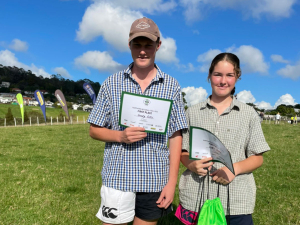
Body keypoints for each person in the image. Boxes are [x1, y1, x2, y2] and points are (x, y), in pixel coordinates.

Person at [87, 17, 188, 225]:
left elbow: (176, 135)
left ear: (158, 45)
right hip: (118, 176)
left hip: (154, 179)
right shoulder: (112, 83)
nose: (142, 51)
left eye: (148, 45)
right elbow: (94, 130)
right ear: (129, 45)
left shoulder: (171, 86)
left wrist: (171, 183)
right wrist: (120, 135)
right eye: (137, 44)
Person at [175, 53, 270, 225]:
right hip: (196, 197)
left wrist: (233, 170)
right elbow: (182, 151)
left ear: (237, 77)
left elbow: (258, 157)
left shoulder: (248, 114)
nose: (223, 81)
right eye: (218, 74)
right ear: (209, 75)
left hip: (235, 201)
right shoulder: (192, 112)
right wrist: (191, 164)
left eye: (230, 75)